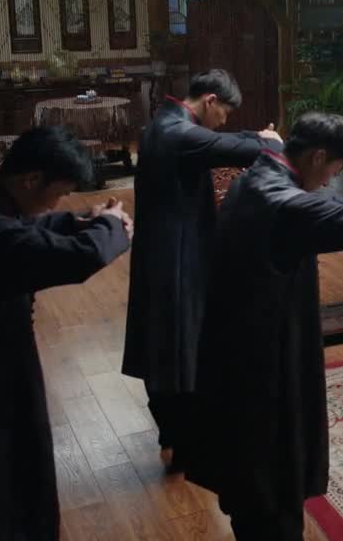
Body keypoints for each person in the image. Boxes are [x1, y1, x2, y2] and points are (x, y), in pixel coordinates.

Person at [186, 113, 343, 540]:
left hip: (239, 342)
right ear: (318, 156)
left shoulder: (260, 174)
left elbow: (323, 206)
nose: (330, 180)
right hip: (265, 355)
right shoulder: (283, 202)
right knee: (272, 474)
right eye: (334, 169)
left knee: (251, 469)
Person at [0, 126, 133, 540]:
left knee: (11, 468)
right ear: (32, 179)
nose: (56, 203)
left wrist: (82, 220)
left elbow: (29, 224)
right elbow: (73, 256)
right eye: (58, 193)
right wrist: (111, 228)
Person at [122, 69, 280, 467]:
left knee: (170, 344)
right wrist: (269, 141)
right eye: (223, 111)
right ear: (209, 100)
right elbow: (236, 148)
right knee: (177, 345)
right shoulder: (177, 132)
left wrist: (254, 135)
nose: (223, 120)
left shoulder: (166, 122)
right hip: (175, 255)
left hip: (166, 249)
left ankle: (178, 437)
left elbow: (226, 139)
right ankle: (180, 441)